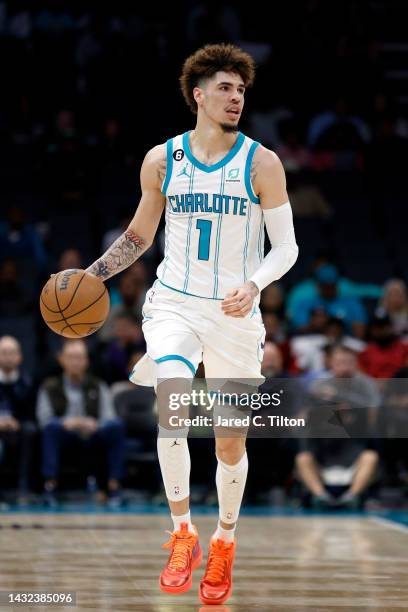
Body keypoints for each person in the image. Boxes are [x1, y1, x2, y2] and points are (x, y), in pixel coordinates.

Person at [82, 43, 298, 605]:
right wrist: (92, 275)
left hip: (234, 314)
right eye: (226, 88)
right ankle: (182, 533)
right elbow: (138, 237)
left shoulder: (262, 162)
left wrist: (255, 284)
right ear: (198, 95)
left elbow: (287, 248)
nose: (236, 98)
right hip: (174, 304)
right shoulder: (162, 160)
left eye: (242, 91)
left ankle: (225, 540)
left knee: (230, 443)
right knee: (172, 403)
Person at [36, 339, 125, 507]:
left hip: (93, 435)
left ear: (86, 361)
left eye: (79, 357)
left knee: (116, 427)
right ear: (61, 359)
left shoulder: (98, 385)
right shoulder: (49, 386)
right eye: (71, 357)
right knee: (51, 429)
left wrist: (95, 424)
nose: (75, 362)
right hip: (65, 435)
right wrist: (66, 423)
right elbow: (44, 419)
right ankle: (50, 486)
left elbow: (109, 416)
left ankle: (114, 486)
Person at [296, 344, 380, 509]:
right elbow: (306, 417)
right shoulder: (318, 385)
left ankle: (352, 497)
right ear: (331, 364)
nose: (345, 367)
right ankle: (320, 496)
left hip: (354, 447)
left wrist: (341, 401)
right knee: (302, 458)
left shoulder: (366, 385)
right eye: (340, 362)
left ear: (356, 364)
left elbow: (373, 417)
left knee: (371, 457)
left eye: (349, 362)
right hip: (324, 448)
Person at [0, 336, 36, 504]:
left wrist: (16, 422)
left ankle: (23, 486)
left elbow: (31, 414)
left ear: (20, 357)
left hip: (19, 427)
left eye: (11, 353)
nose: (8, 357)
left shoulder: (27, 382)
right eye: (4, 352)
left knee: (30, 430)